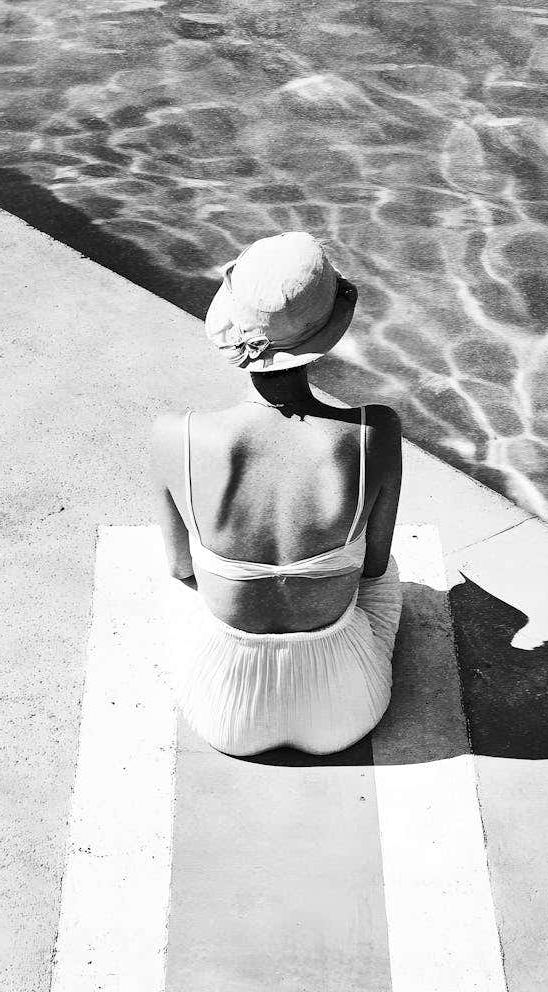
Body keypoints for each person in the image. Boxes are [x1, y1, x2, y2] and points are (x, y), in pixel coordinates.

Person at [150, 231, 403, 756]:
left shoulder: (176, 435)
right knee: (385, 568)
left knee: (186, 574)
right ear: (326, 335)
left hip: (226, 716)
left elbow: (180, 570)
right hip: (346, 711)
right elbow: (374, 569)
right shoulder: (373, 432)